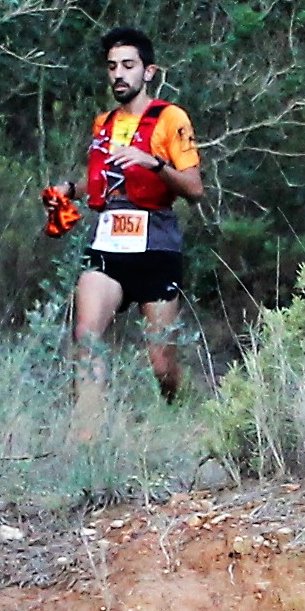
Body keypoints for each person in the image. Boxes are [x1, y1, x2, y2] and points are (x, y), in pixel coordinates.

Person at [70, 26, 203, 426]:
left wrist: (154, 163)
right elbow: (102, 183)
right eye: (112, 66)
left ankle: (185, 418)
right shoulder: (103, 123)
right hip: (107, 246)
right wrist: (69, 190)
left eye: (128, 65)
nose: (119, 74)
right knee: (87, 338)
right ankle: (87, 439)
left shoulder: (171, 119)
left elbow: (195, 188)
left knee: (162, 364)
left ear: (149, 72)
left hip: (156, 245)